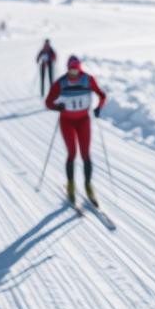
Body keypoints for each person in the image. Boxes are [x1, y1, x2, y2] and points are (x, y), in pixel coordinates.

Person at [45, 55, 107, 206]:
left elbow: (102, 95)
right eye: (71, 70)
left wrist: (99, 108)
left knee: (86, 154)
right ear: (68, 69)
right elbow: (48, 102)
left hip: (83, 120)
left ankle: (88, 185)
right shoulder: (61, 82)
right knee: (72, 153)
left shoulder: (88, 79)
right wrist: (56, 107)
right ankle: (71, 185)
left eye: (76, 69)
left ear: (79, 68)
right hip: (67, 121)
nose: (73, 73)